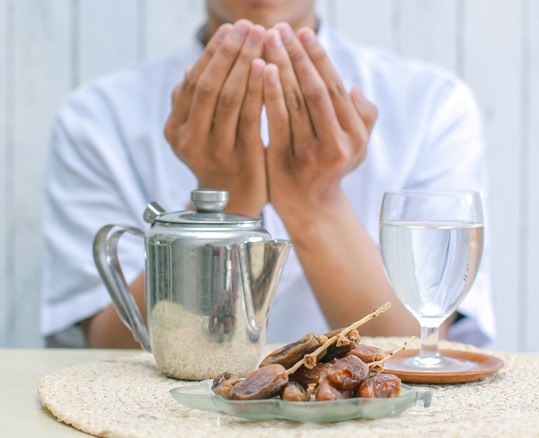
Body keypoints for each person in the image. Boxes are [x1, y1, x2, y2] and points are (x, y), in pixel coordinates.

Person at [41, 0, 494, 348]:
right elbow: (105, 349)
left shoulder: (432, 104)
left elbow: (419, 345)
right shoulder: (96, 118)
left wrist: (315, 204)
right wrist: (225, 203)